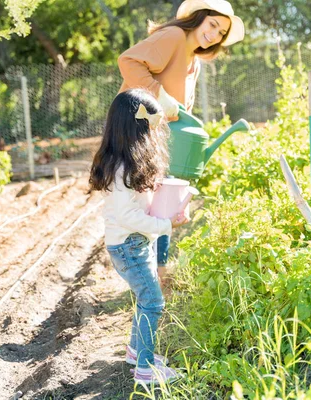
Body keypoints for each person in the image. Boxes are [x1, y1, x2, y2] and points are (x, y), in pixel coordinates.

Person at [117, 0, 245, 281]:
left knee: (164, 206)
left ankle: (159, 274)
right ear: (199, 18)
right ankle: (143, 279)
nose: (214, 34)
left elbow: (181, 109)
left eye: (221, 33)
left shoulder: (194, 62)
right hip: (135, 134)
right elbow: (128, 61)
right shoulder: (173, 37)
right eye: (213, 24)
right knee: (140, 210)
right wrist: (156, 94)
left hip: (159, 141)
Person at [89, 89, 189, 385]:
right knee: (153, 301)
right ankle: (145, 370)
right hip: (128, 245)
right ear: (136, 130)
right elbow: (126, 216)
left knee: (146, 298)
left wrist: (165, 202)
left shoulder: (127, 164)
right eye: (150, 129)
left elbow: (136, 205)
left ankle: (136, 351)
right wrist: (164, 224)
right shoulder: (121, 171)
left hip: (134, 243)